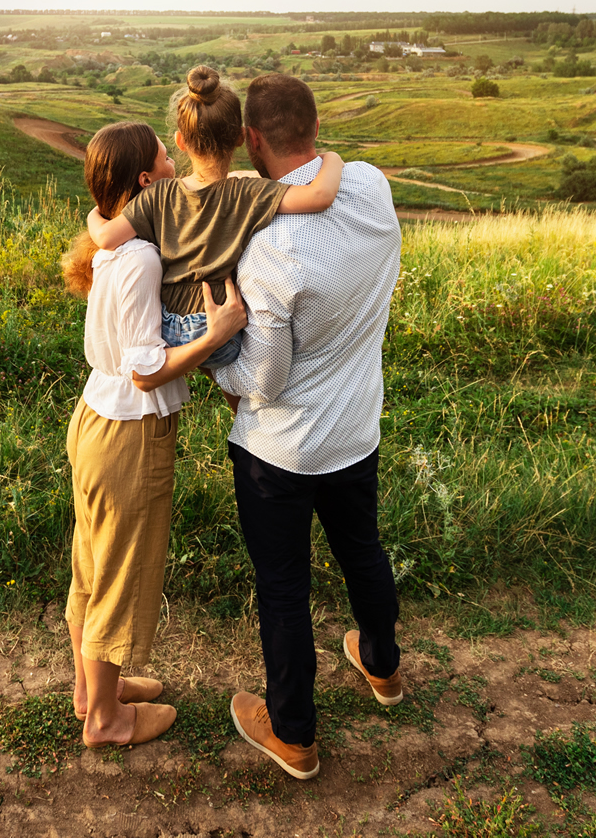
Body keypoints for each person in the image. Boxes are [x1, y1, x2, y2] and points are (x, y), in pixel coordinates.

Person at [212, 74, 405, 780]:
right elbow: (334, 168)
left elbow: (263, 378)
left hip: (281, 449)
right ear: (316, 127)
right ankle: (383, 667)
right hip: (355, 428)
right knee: (363, 550)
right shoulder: (371, 187)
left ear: (251, 139)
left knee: (285, 587)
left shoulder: (268, 247)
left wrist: (215, 363)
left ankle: (294, 734)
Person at [59, 121, 248, 747]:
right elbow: (145, 370)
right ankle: (106, 722)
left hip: (94, 418)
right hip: (130, 433)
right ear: (147, 181)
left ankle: (93, 692)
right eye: (168, 159)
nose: (177, 167)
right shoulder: (141, 257)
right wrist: (216, 335)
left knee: (93, 563)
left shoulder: (114, 241)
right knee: (120, 574)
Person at [86, 66, 346, 376]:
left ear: (181, 141)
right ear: (240, 138)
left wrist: (94, 213)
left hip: (168, 328)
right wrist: (333, 158)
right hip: (219, 329)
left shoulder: (159, 194)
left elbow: (105, 238)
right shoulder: (246, 193)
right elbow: (320, 196)